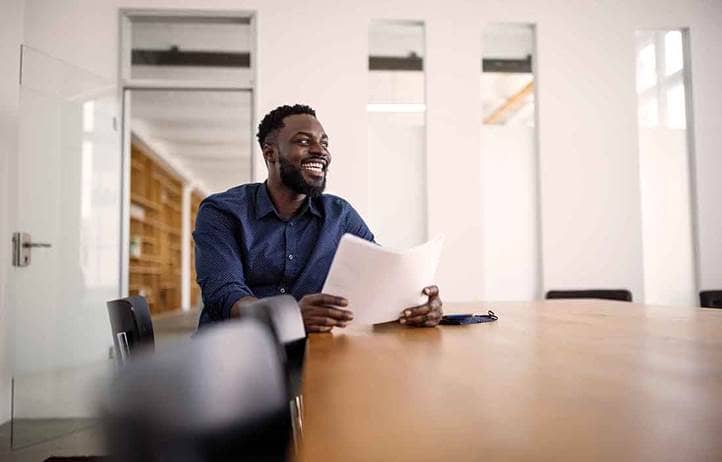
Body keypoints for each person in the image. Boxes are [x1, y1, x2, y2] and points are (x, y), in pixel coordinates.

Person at [193, 104, 443, 332]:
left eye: (324, 143)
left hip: (313, 352)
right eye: (303, 141)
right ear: (270, 154)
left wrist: (417, 305)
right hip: (235, 353)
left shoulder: (339, 215)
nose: (319, 151)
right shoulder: (222, 212)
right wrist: (288, 316)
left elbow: (380, 277)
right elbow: (224, 293)